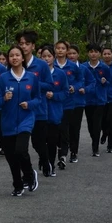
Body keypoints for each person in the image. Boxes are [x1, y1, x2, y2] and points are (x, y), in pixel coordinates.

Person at [0, 45, 41, 196]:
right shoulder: (3, 79)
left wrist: (30, 104)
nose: (14, 58)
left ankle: (29, 174)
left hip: (26, 119)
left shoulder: (32, 77)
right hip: (8, 122)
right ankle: (18, 185)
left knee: (21, 150)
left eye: (17, 55)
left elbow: (38, 98)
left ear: (22, 58)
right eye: (11, 56)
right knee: (11, 157)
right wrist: (3, 98)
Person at [16, 30, 53, 177]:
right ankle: (27, 173)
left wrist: (33, 84)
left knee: (38, 143)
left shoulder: (41, 65)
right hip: (20, 112)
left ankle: (45, 160)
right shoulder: (15, 63)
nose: (24, 46)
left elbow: (49, 85)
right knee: (21, 147)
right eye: (21, 44)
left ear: (33, 46)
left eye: (27, 44)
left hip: (38, 110)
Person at [54, 40, 84, 167]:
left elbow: (80, 80)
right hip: (54, 102)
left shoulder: (73, 66)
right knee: (58, 129)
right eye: (58, 48)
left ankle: (67, 153)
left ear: (66, 51)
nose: (60, 50)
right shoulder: (50, 65)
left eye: (63, 48)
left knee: (68, 128)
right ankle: (61, 149)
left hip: (69, 103)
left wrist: (74, 87)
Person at [40, 46, 69, 177]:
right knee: (40, 140)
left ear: (54, 57)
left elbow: (65, 92)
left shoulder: (60, 74)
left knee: (52, 141)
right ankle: (43, 159)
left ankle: (50, 164)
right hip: (39, 112)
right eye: (44, 56)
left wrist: (55, 96)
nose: (46, 59)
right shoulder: (36, 74)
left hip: (54, 112)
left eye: (49, 56)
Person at [67, 44, 95, 162]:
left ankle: (74, 151)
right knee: (64, 128)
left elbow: (92, 82)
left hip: (78, 102)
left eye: (74, 53)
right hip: (63, 103)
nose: (71, 56)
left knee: (75, 128)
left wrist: (85, 89)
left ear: (78, 55)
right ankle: (63, 148)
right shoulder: (59, 68)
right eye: (69, 53)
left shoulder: (83, 69)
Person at [82, 43, 110, 157]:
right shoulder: (84, 67)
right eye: (91, 51)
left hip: (100, 99)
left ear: (99, 53)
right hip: (88, 99)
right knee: (90, 123)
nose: (93, 54)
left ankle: (95, 147)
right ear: (88, 53)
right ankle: (95, 139)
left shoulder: (104, 67)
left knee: (97, 123)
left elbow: (109, 82)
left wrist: (104, 82)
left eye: (96, 52)